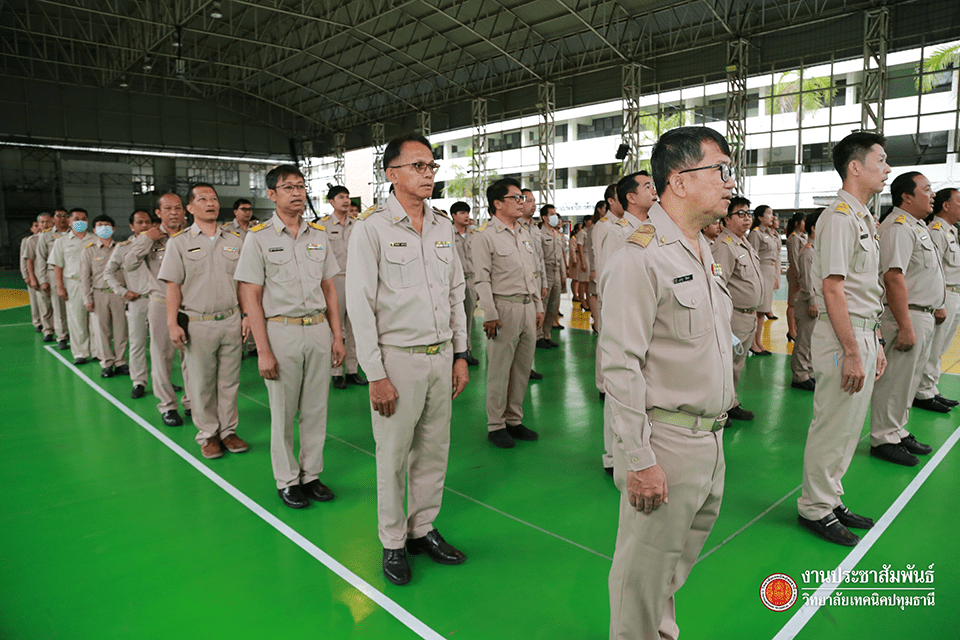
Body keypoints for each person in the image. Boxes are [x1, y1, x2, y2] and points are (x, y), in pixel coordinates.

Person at [601, 126, 735, 640]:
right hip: (667, 442)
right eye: (719, 169)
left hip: (710, 437)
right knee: (642, 576)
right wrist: (639, 459)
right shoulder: (641, 256)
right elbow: (619, 366)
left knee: (669, 568)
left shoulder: (700, 249)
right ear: (678, 180)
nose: (728, 182)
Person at [346, 133, 469, 586]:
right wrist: (375, 373)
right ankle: (393, 541)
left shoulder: (441, 226)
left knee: (434, 451)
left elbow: (456, 293)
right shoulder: (371, 227)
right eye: (418, 166)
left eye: (431, 166)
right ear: (392, 173)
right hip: (397, 359)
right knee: (394, 455)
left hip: (440, 357)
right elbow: (359, 304)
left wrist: (460, 354)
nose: (428, 174)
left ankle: (423, 528)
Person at [797, 131, 889, 547]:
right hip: (843, 338)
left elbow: (865, 288)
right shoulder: (837, 217)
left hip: (862, 333)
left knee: (850, 426)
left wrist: (876, 344)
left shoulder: (862, 217)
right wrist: (853, 350)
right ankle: (814, 507)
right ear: (856, 167)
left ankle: (830, 497)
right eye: (881, 161)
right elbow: (833, 289)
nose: (888, 169)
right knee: (833, 423)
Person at [235, 165, 345, 508]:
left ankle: (311, 475)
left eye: (300, 186)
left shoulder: (318, 235)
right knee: (283, 412)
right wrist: (262, 350)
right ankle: (287, 480)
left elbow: (329, 289)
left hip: (317, 329)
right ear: (272, 195)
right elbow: (250, 295)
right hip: (280, 330)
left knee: (316, 409)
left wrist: (338, 336)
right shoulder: (259, 237)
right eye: (288, 188)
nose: (297, 193)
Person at [160, 183, 248, 460]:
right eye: (202, 199)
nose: (210, 203)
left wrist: (246, 316)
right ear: (190, 208)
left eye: (213, 198)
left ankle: (228, 431)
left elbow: (244, 284)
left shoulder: (235, 240)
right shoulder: (180, 242)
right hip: (198, 322)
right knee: (201, 383)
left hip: (231, 319)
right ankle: (208, 434)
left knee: (229, 381)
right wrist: (173, 324)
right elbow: (172, 287)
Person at [869, 171, 941, 466]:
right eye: (926, 189)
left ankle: (897, 429)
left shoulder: (917, 226)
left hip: (921, 313)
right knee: (895, 380)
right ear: (906, 196)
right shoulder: (899, 227)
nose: (932, 194)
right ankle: (883, 437)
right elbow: (893, 276)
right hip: (905, 315)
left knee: (908, 380)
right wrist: (905, 326)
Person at [473, 177, 544, 449]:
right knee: (500, 371)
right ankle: (496, 425)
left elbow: (532, 273)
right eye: (515, 198)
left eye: (521, 198)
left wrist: (537, 306)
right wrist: (489, 313)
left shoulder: (524, 232)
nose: (521, 202)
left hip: (527, 307)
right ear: (497, 203)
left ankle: (514, 419)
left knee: (522, 368)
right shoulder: (485, 235)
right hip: (503, 307)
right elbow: (481, 278)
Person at [123, 193, 192, 427]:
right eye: (168, 208)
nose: (174, 212)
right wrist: (146, 239)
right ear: (159, 213)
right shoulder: (150, 239)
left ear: (185, 211)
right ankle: (168, 406)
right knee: (162, 356)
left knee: (192, 357)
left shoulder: (192, 236)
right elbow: (129, 264)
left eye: (178, 208)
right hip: (161, 303)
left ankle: (192, 401)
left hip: (191, 305)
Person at [711, 196, 762, 424]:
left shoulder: (745, 243)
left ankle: (730, 402)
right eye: (740, 214)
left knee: (736, 365)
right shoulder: (724, 246)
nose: (746, 218)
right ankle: (718, 408)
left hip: (748, 316)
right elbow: (718, 284)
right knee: (724, 364)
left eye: (748, 213)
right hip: (734, 316)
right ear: (726, 219)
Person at [915, 187, 960, 410]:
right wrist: (939, 304)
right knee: (933, 347)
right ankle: (923, 391)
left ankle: (931, 387)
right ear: (946, 205)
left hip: (955, 295)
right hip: (945, 295)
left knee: (941, 346)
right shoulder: (936, 231)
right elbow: (935, 271)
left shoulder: (951, 230)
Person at [321, 185, 367, 389]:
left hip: (355, 280)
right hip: (334, 280)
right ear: (331, 202)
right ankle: (335, 371)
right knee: (335, 327)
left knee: (355, 327)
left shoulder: (358, 225)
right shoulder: (321, 226)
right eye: (341, 197)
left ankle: (352, 370)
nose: (346, 200)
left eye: (348, 197)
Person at [104, 210, 154, 399]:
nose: (144, 226)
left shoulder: (161, 244)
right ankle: (139, 381)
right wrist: (123, 292)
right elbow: (108, 272)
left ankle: (162, 380)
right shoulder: (124, 248)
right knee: (137, 342)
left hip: (160, 300)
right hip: (137, 300)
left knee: (162, 345)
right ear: (132, 226)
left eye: (148, 222)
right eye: (140, 222)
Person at [80, 215, 129, 378]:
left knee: (121, 330)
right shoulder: (89, 250)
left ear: (113, 229)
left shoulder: (121, 248)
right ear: (94, 230)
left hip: (118, 294)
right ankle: (107, 363)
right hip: (99, 293)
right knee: (102, 332)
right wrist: (87, 299)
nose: (104, 228)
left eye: (107, 225)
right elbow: (85, 277)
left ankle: (121, 362)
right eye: (100, 225)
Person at [50, 208, 94, 365]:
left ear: (88, 221)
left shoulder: (95, 239)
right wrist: (60, 286)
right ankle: (81, 353)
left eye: (83, 219)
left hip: (94, 283)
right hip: (74, 282)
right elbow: (58, 266)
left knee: (95, 319)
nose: (80, 222)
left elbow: (102, 257)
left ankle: (97, 351)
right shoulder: (62, 241)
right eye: (76, 219)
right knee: (77, 318)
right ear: (69, 221)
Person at [790, 210, 821, 391]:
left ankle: (808, 371)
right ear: (814, 228)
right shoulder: (808, 252)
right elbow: (807, 280)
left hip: (815, 300)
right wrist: (812, 301)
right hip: (808, 301)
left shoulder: (816, 250)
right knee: (803, 340)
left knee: (810, 340)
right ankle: (799, 375)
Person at [36, 208, 72, 350]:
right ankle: (62, 336)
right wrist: (43, 280)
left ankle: (76, 335)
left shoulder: (75, 233)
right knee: (58, 307)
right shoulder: (46, 236)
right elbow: (40, 258)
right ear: (54, 218)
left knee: (76, 306)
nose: (62, 218)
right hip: (53, 273)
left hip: (73, 274)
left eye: (65, 216)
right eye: (59, 216)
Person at [452, 201, 481, 366]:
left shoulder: (474, 233)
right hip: (453, 281)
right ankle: (453, 353)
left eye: (467, 212)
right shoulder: (447, 233)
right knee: (452, 318)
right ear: (454, 216)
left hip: (470, 280)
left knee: (468, 318)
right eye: (462, 212)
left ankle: (466, 351)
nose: (466, 216)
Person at [748, 205, 779, 354]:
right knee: (756, 310)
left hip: (769, 272)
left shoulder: (769, 233)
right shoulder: (756, 234)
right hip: (760, 272)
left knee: (763, 310)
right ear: (760, 217)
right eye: (769, 214)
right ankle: (752, 342)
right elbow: (753, 258)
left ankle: (758, 341)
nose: (772, 217)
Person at [24, 213, 56, 342]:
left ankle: (62, 331)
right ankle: (48, 330)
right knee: (44, 305)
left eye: (48, 221)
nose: (45, 224)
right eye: (42, 222)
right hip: (41, 276)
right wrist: (31, 277)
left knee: (60, 306)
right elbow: (29, 260)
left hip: (56, 276)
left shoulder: (58, 237)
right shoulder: (32, 240)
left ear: (53, 222)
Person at [539, 204, 564, 349]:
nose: (555, 216)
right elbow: (539, 257)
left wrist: (563, 275)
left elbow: (560, 256)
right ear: (544, 217)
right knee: (543, 304)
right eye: (552, 214)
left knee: (553, 305)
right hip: (546, 272)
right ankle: (539, 336)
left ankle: (547, 335)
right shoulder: (540, 234)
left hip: (556, 271)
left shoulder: (557, 234)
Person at [785, 212, 807, 341]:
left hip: (801, 273)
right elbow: (793, 259)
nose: (805, 224)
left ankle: (796, 329)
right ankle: (791, 331)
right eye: (803, 222)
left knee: (798, 303)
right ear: (797, 223)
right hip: (795, 273)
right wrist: (799, 277)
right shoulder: (793, 238)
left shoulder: (802, 237)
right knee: (792, 303)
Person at [20, 220, 43, 332]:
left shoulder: (47, 238)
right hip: (33, 274)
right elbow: (24, 260)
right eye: (35, 225)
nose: (38, 227)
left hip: (44, 273)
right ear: (31, 229)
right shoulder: (27, 241)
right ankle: (37, 322)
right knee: (34, 300)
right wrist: (26, 276)